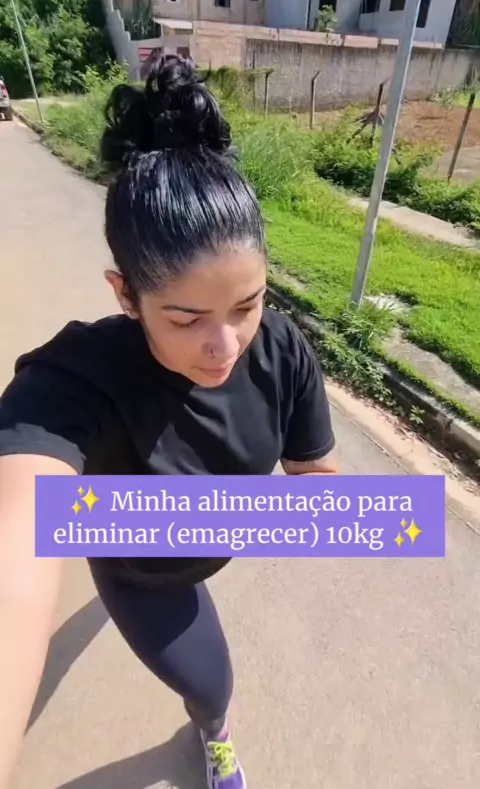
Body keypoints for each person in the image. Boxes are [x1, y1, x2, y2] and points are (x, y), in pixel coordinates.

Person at [0, 54, 338, 789]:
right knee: (213, 689)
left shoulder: (281, 346)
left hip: (194, 542)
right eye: (186, 319)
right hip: (142, 573)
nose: (225, 347)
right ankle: (215, 735)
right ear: (125, 294)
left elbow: (318, 479)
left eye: (246, 305)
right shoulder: (76, 380)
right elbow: (14, 548)